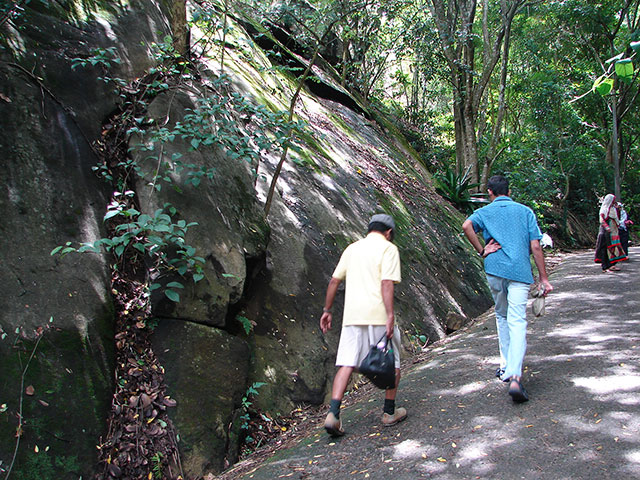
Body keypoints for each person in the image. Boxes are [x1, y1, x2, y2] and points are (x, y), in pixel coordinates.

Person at [462, 175, 553, 403]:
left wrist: (482, 250)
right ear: (508, 191)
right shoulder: (525, 212)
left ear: (490, 192)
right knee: (517, 320)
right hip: (520, 272)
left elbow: (466, 225)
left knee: (501, 316)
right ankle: (514, 374)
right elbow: (535, 245)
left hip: (494, 269)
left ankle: (505, 367)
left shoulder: (485, 212)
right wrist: (543, 277)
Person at [319, 214, 406, 436]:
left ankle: (333, 414)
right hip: (377, 315)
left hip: (352, 317)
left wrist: (327, 310)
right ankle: (388, 412)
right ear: (388, 232)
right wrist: (389, 315)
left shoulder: (352, 249)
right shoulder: (388, 249)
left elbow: (334, 281)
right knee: (392, 361)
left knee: (346, 363)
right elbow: (386, 282)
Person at [594, 194, 627, 272]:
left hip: (613, 232)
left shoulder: (613, 209)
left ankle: (612, 264)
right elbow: (602, 219)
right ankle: (606, 265)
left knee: (613, 248)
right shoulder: (604, 209)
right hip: (605, 232)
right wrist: (607, 227)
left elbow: (616, 219)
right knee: (605, 249)